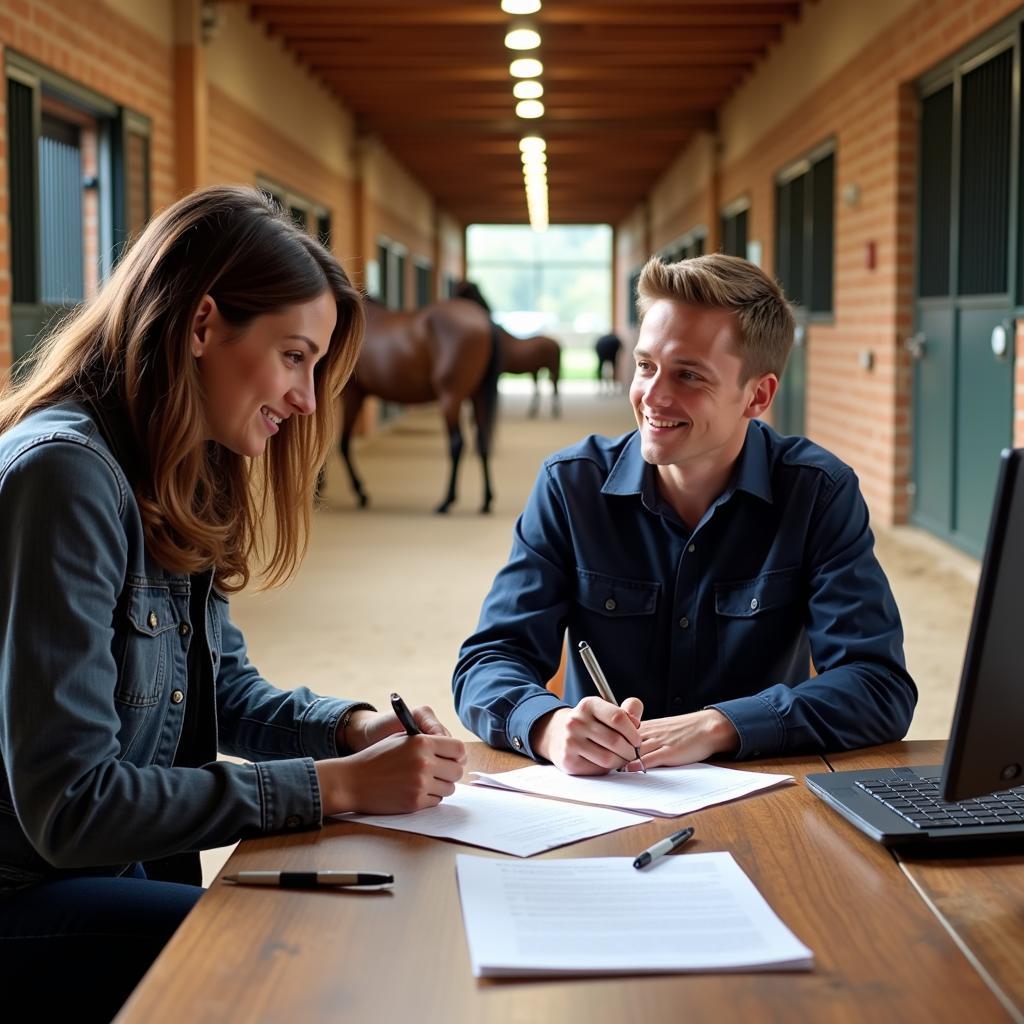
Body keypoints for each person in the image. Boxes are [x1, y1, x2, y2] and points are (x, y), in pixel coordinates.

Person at [0, 186, 466, 1020]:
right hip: (25, 888)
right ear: (204, 325)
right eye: (295, 357)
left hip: (105, 868)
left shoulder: (170, 466)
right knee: (295, 956)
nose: (310, 400)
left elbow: (222, 690)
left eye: (317, 366)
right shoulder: (64, 475)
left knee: (346, 920)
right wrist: (337, 787)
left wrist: (354, 728)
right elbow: (71, 808)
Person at [453, 253, 916, 776]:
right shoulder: (570, 486)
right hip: (606, 801)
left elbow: (878, 685)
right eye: (646, 365)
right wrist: (548, 726)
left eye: (689, 375)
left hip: (756, 792)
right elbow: (487, 661)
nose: (652, 396)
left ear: (757, 395)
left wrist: (717, 725)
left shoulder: (819, 493)